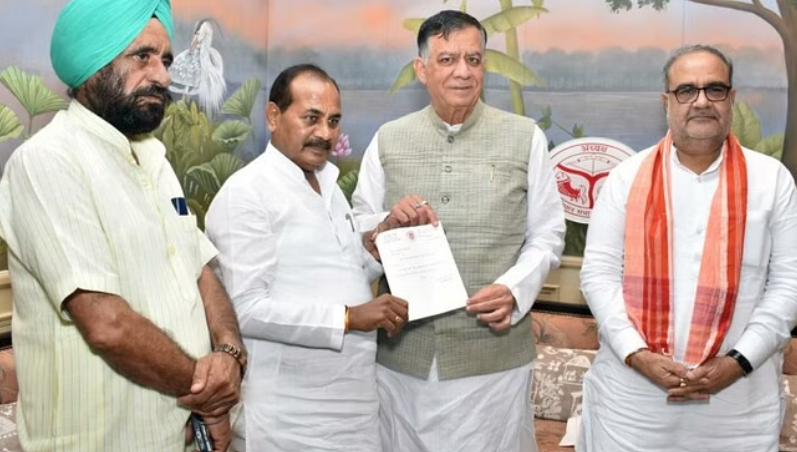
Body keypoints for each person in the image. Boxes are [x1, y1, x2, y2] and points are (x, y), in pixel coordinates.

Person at [0, 1, 246, 451]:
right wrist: (207, 395)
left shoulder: (154, 159)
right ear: (91, 64)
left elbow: (198, 268)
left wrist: (229, 351)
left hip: (179, 434)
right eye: (143, 57)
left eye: (165, 60)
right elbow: (106, 323)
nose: (163, 76)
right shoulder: (47, 162)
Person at [352, 10, 565, 452]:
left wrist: (513, 290)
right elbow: (359, 228)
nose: (463, 72)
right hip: (403, 360)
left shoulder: (525, 137)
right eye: (447, 59)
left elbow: (547, 234)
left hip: (493, 360)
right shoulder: (388, 139)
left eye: (474, 59)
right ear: (422, 69)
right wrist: (384, 226)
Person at [579, 44, 797, 452]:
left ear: (731, 98)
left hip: (737, 410)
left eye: (714, 89)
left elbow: (789, 283)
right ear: (667, 102)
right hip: (633, 407)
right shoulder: (625, 178)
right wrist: (637, 354)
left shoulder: (772, 180)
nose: (701, 101)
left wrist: (738, 362)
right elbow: (598, 275)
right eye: (686, 90)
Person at [204, 64, 409, 452]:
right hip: (287, 420)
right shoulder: (246, 194)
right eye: (311, 118)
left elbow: (337, 269)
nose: (325, 133)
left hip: (354, 410)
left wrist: (377, 246)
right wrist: (348, 318)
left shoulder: (328, 183)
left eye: (333, 121)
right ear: (273, 116)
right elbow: (245, 309)